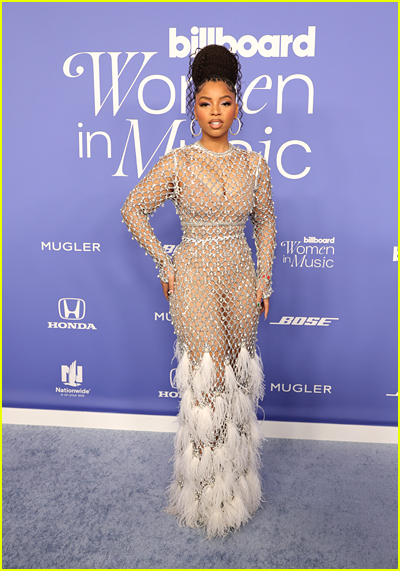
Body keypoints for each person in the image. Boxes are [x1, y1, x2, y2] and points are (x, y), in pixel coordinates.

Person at [121, 44, 276, 538]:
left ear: (238, 107)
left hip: (240, 276)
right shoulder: (179, 163)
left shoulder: (255, 166)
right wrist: (165, 264)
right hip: (193, 277)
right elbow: (132, 208)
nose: (215, 112)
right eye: (205, 102)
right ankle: (206, 496)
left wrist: (264, 277)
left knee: (237, 382)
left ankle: (238, 489)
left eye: (225, 101)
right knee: (206, 383)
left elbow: (267, 221)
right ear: (194, 109)